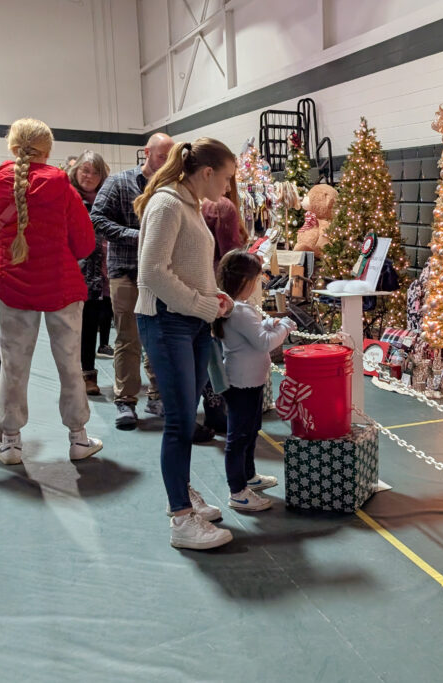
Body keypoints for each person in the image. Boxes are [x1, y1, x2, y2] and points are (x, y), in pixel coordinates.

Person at [133, 137, 237, 550]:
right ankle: (181, 518)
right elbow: (153, 272)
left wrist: (213, 297)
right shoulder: (167, 203)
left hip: (190, 321)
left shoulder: (189, 204)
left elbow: (187, 265)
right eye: (226, 179)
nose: (227, 188)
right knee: (179, 422)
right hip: (167, 321)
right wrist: (202, 304)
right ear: (207, 172)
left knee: (185, 416)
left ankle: (181, 493)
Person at [0, 119, 102, 464]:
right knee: (70, 364)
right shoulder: (61, 185)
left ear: (12, 146)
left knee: (13, 365)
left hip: (11, 285)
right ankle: (78, 438)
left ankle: (10, 443)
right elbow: (85, 244)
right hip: (61, 286)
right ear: (47, 151)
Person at [91, 133, 173, 430]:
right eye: (162, 156)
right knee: (128, 338)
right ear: (146, 153)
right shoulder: (119, 182)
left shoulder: (171, 186)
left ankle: (158, 395)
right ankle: (125, 401)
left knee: (160, 336)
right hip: (125, 271)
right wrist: (137, 237)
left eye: (170, 157)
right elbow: (97, 219)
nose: (166, 162)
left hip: (161, 273)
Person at [214, 249, 293, 511]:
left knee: (250, 430)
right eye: (256, 280)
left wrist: (269, 324)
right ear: (244, 280)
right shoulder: (239, 310)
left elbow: (253, 333)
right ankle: (237, 491)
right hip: (243, 383)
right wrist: (284, 327)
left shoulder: (236, 308)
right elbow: (263, 343)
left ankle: (248, 476)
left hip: (248, 381)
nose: (258, 284)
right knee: (239, 436)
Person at [197, 177, 247, 434]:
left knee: (202, 352)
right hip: (217, 288)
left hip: (195, 289)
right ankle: (217, 411)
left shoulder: (193, 203)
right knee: (216, 353)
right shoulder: (223, 206)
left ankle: (211, 410)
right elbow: (231, 256)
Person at [67, 151, 112, 396]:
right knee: (80, 327)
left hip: (106, 272)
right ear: (76, 171)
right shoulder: (68, 196)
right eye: (85, 170)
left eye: (95, 172)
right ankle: (83, 374)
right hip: (76, 272)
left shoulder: (106, 199)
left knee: (98, 321)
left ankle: (89, 373)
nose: (89, 176)